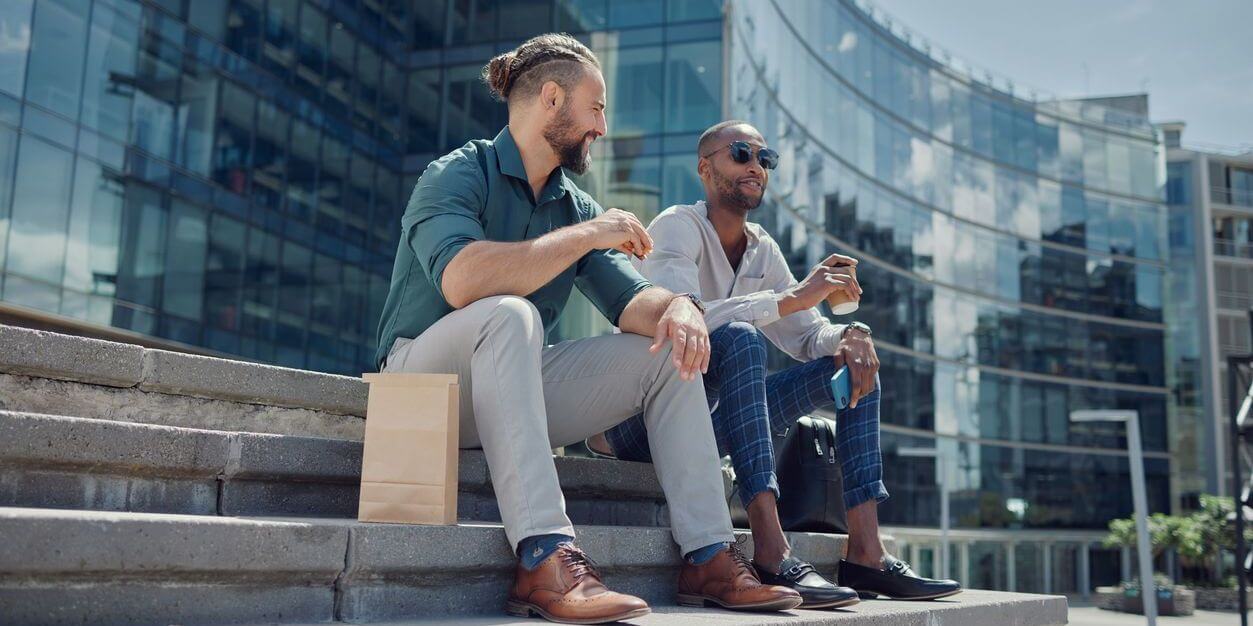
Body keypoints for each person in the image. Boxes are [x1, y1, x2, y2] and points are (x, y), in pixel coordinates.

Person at [375, 37, 801, 624]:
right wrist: (587, 235)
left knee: (666, 349)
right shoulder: (455, 174)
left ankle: (709, 555)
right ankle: (545, 556)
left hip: (511, 386)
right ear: (552, 99)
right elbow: (462, 282)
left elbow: (632, 300)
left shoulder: (574, 205)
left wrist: (676, 307)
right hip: (421, 387)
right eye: (596, 108)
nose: (603, 126)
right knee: (511, 312)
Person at [589, 120, 962, 604]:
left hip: (711, 421)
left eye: (765, 159)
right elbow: (682, 317)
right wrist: (790, 296)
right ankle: (770, 546)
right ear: (705, 168)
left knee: (851, 366)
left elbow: (808, 336)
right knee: (742, 338)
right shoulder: (677, 226)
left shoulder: (762, 248)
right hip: (636, 424)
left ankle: (867, 553)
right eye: (741, 153)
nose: (756, 167)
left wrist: (852, 334)